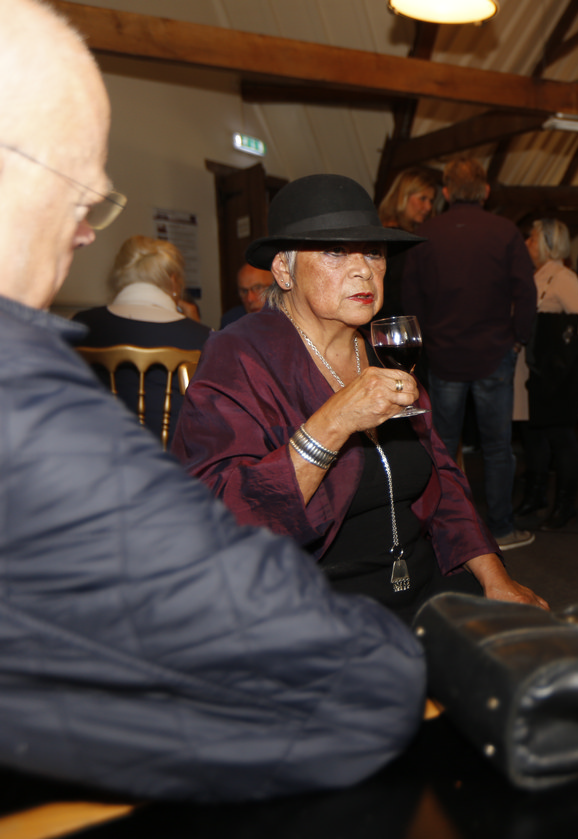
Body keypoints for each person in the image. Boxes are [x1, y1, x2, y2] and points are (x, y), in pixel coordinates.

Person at [0, 0, 425, 802]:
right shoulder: (41, 399)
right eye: (82, 197)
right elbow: (332, 676)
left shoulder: (381, 347)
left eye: (372, 252)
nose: (86, 232)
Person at [172, 174, 545, 623]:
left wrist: (495, 578)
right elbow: (217, 518)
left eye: (372, 252)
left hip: (425, 582)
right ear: (284, 270)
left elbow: (443, 479)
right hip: (315, 602)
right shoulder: (241, 355)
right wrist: (334, 421)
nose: (363, 270)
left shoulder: (384, 349)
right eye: (335, 252)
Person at [400, 157, 537, 550]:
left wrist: (425, 344)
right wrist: (519, 338)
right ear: (486, 191)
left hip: (444, 355)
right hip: (495, 352)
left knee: (441, 447)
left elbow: (411, 298)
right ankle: (502, 528)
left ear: (446, 192)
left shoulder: (426, 234)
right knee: (497, 448)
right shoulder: (505, 231)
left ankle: (446, 529)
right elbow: (525, 291)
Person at [73, 234, 212, 438]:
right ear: (174, 281)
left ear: (119, 276)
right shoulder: (203, 338)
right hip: (173, 454)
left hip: (97, 448)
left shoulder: (80, 325)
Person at [512, 218, 578, 530]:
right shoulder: (536, 275)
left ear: (548, 244)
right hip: (532, 370)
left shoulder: (562, 276)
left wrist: (551, 336)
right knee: (533, 435)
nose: (527, 244)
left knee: (560, 437)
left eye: (533, 239)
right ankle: (535, 496)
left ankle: (565, 505)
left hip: (554, 373)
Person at [376, 166, 439, 321]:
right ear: (402, 197)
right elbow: (398, 294)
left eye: (431, 201)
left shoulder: (383, 232)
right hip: (393, 323)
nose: (428, 207)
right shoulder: (397, 239)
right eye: (422, 199)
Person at [220, 262, 272, 327]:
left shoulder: (284, 320)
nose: (250, 299)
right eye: (244, 291)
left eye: (258, 288)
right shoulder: (231, 321)